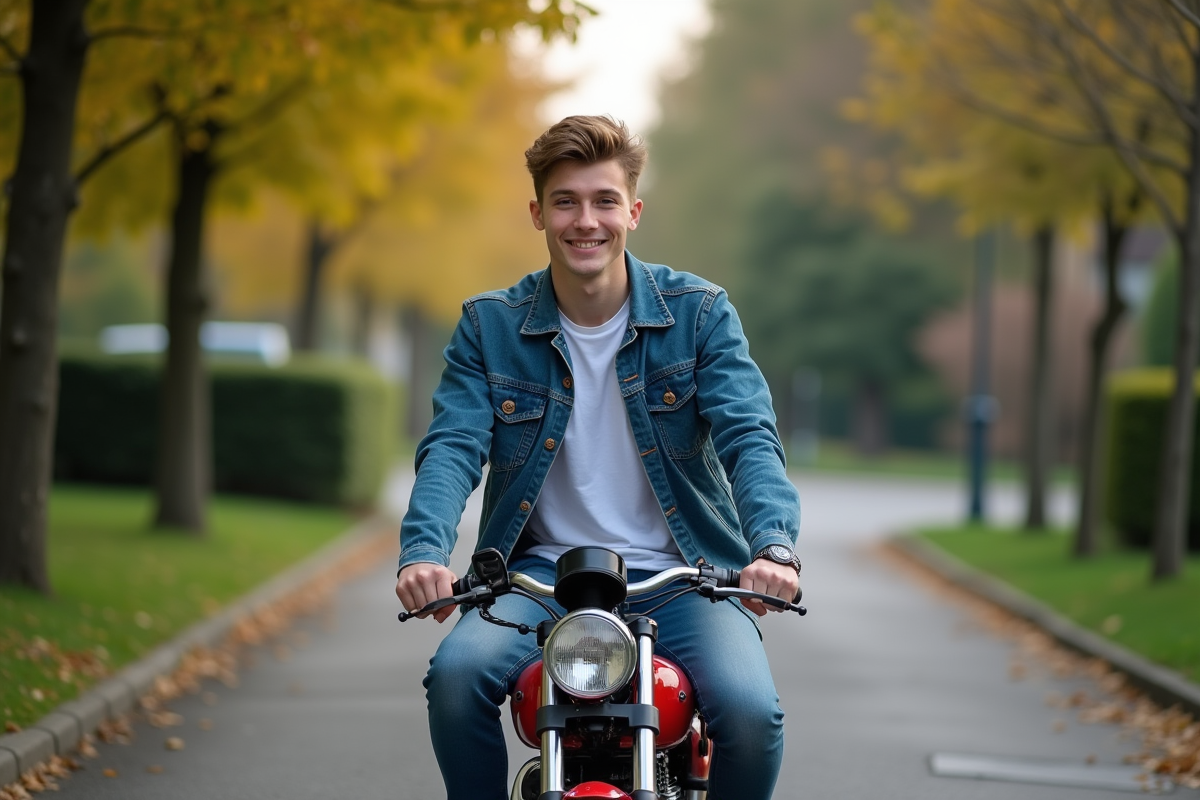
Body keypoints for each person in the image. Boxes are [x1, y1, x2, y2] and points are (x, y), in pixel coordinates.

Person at [395, 115, 801, 800]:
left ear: (633, 212)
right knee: (457, 680)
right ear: (538, 213)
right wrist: (423, 553)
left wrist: (774, 549)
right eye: (566, 201)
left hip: (683, 575)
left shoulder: (699, 314)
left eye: (604, 200)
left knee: (751, 711)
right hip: (535, 580)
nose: (587, 220)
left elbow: (747, 435)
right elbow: (453, 447)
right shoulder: (489, 326)